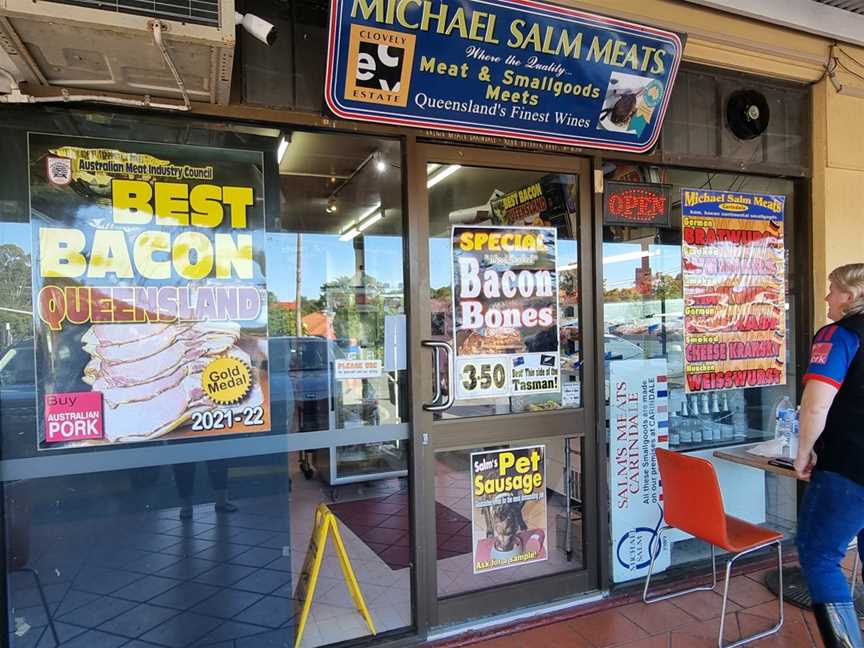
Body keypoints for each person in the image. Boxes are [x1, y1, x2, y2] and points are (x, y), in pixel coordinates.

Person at [795, 263, 864, 647]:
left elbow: (815, 406)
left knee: (819, 556)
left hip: (849, 466)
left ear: (850, 296)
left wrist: (803, 452)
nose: (826, 298)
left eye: (832, 290)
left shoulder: (838, 335)